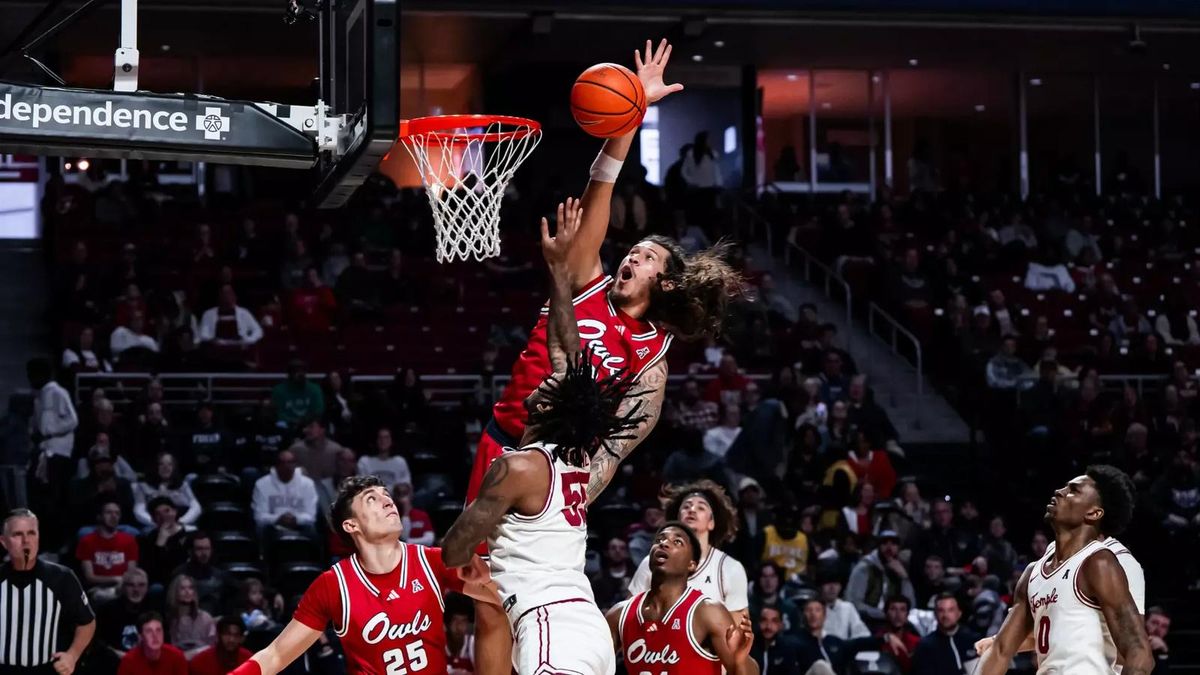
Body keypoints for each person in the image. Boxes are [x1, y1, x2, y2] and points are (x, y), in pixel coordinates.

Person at [465, 45, 748, 665]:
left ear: (664, 282)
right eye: (633, 250)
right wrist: (629, 114)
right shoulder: (586, 280)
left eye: (645, 256)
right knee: (480, 599)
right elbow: (602, 183)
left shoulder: (651, 360)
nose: (631, 256)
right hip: (502, 441)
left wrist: (565, 497)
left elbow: (615, 450)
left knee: (520, 603)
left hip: (553, 478)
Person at [440, 197, 654, 674]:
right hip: (586, 626)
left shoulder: (518, 467)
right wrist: (559, 271)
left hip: (549, 631)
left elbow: (454, 551)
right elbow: (567, 351)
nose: (542, 383)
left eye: (549, 386)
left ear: (546, 407)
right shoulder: (575, 457)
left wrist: (449, 560)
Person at [231, 475, 484, 675]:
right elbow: (276, 654)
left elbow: (500, 596)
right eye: (372, 499)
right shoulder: (333, 585)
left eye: (386, 495)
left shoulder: (432, 561)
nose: (388, 501)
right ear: (351, 525)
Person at [976, 466, 1153, 675]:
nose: (1059, 491)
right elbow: (1001, 650)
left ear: (1094, 513)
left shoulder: (1108, 562)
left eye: (1073, 491)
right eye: (1065, 487)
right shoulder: (1034, 571)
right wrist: (996, 642)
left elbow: (1137, 651)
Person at [605, 522, 758, 674]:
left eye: (677, 542)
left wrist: (740, 660)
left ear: (691, 565)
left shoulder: (708, 612)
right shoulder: (619, 614)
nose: (664, 543)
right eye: (659, 540)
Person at [628, 480, 751, 624]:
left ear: (711, 522)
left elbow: (739, 630)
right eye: (686, 507)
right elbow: (627, 616)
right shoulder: (654, 561)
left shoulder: (730, 568)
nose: (692, 510)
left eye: (701, 507)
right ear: (678, 519)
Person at [0, 508, 96, 674]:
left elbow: (87, 622)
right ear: (3, 541)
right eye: (17, 534)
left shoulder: (62, 577)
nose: (26, 541)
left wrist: (72, 656)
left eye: (31, 533)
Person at [27, 357, 79, 551]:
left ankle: (57, 543)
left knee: (55, 500)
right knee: (42, 500)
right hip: (44, 454)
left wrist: (49, 431)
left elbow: (72, 420)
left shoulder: (58, 392)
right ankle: (46, 541)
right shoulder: (39, 396)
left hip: (58, 454)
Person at [76, 499, 140, 603]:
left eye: (117, 513)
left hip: (123, 586)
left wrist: (122, 582)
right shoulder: (87, 541)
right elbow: (89, 577)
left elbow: (131, 572)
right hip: (98, 588)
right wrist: (115, 579)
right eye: (109, 512)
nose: (114, 516)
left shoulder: (129, 540)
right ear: (99, 516)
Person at [845, 531, 916, 622]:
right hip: (865, 620)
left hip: (891, 621)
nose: (889, 548)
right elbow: (853, 602)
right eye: (885, 543)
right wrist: (882, 615)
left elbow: (910, 606)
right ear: (878, 546)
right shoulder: (865, 568)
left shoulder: (900, 568)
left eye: (893, 544)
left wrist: (904, 578)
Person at [250, 450, 319, 543]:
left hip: (300, 527)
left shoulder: (308, 484)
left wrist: (296, 519)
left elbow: (311, 516)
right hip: (272, 528)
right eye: (282, 463)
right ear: (276, 465)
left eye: (290, 462)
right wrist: (278, 519)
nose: (286, 466)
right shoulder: (262, 484)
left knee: (311, 528)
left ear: (295, 465)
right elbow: (259, 517)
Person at [911, 593, 980, 675]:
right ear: (935, 614)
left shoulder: (973, 640)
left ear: (959, 613)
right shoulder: (926, 646)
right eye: (941, 610)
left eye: (950, 610)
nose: (945, 615)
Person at [117, 613, 187, 675]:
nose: (155, 636)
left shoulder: (176, 656)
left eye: (158, 630)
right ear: (141, 637)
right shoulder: (129, 661)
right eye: (149, 631)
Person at [164, 575, 216, 659]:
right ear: (175, 592)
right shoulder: (168, 620)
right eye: (182, 588)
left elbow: (212, 646)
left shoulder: (205, 618)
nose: (187, 592)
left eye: (190, 588)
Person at [187, 617, 252, 675]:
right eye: (227, 634)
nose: (231, 640)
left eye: (236, 635)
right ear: (218, 635)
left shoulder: (249, 659)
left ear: (241, 638)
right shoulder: (200, 661)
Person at [751, 605, 805, 674]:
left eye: (774, 621)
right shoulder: (749, 647)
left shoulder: (787, 649)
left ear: (781, 625)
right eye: (764, 620)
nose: (768, 626)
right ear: (758, 622)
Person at [1145, 607, 1171, 675]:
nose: (1158, 629)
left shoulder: (1165, 650)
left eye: (1164, 626)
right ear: (1145, 622)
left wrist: (1163, 651)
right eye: (1154, 623)